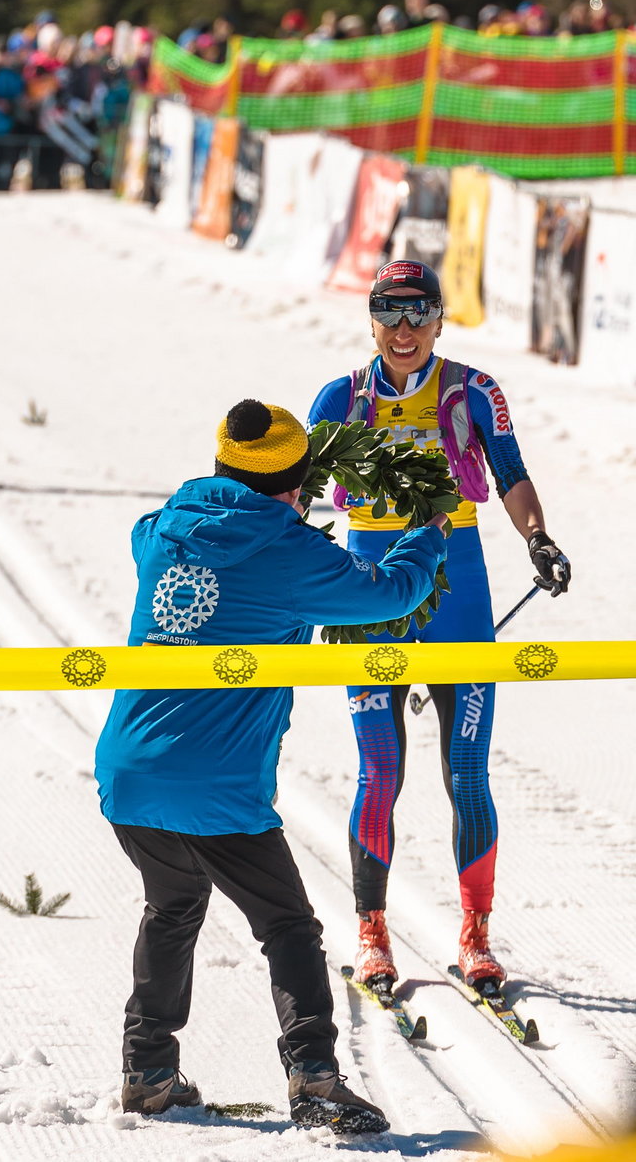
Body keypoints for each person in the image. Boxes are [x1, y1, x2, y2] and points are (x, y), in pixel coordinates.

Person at [95, 398, 449, 1131]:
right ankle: (315, 1078)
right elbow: (389, 591)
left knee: (172, 908)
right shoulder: (289, 551)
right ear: (295, 485)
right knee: (288, 925)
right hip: (216, 787)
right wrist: (427, 536)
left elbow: (138, 535)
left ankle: (149, 1072)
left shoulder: (164, 529)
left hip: (128, 775)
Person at [308, 260, 571, 992]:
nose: (403, 330)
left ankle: (476, 934)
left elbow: (511, 472)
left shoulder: (474, 391)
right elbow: (296, 493)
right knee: (381, 769)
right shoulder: (340, 397)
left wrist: (537, 537)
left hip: (458, 593)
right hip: (371, 595)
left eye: (418, 314)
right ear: (369, 319)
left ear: (439, 320)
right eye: (389, 313)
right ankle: (372, 933)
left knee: (466, 770)